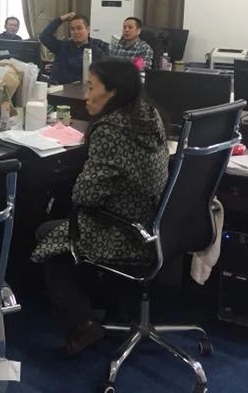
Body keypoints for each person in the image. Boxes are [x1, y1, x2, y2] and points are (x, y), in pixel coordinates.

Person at [32, 58, 169, 356]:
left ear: (113, 91)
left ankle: (82, 324)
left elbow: (86, 195)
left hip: (124, 231)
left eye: (92, 87)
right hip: (153, 224)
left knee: (48, 232)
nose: (86, 95)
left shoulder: (110, 130)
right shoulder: (149, 115)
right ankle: (107, 305)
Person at [39, 12, 109, 84]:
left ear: (88, 29)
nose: (75, 32)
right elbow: (44, 37)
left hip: (80, 90)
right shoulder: (62, 46)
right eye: (72, 29)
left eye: (79, 28)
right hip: (57, 88)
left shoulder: (96, 52)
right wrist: (61, 19)